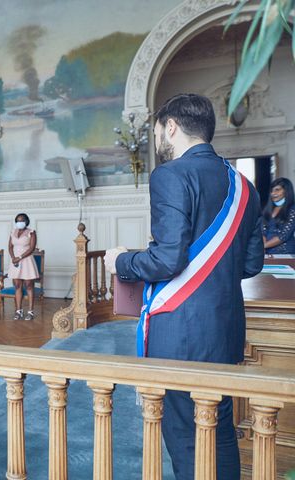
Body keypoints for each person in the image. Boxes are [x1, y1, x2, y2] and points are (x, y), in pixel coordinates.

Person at [104, 93, 264, 480]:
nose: (158, 138)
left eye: (158, 130)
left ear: (170, 127)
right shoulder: (245, 186)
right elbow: (251, 264)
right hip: (225, 330)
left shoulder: (171, 174)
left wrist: (121, 262)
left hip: (181, 333)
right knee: (220, 430)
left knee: (185, 437)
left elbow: (168, 260)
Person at [7, 213, 39, 321]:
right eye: (18, 220)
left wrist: (19, 257)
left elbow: (32, 248)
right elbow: (10, 246)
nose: (20, 222)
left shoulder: (31, 232)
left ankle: (30, 311)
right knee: (17, 285)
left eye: (22, 220)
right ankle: (18, 311)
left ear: (26, 221)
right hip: (15, 261)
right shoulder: (13, 232)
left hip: (26, 261)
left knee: (29, 285)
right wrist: (13, 257)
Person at [262, 177, 295, 255]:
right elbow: (263, 231)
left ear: (286, 191)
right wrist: (262, 249)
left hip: (285, 253)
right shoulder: (268, 210)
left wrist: (263, 246)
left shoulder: (292, 210)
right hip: (267, 253)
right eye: (272, 191)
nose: (273, 193)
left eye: (277, 190)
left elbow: (284, 235)